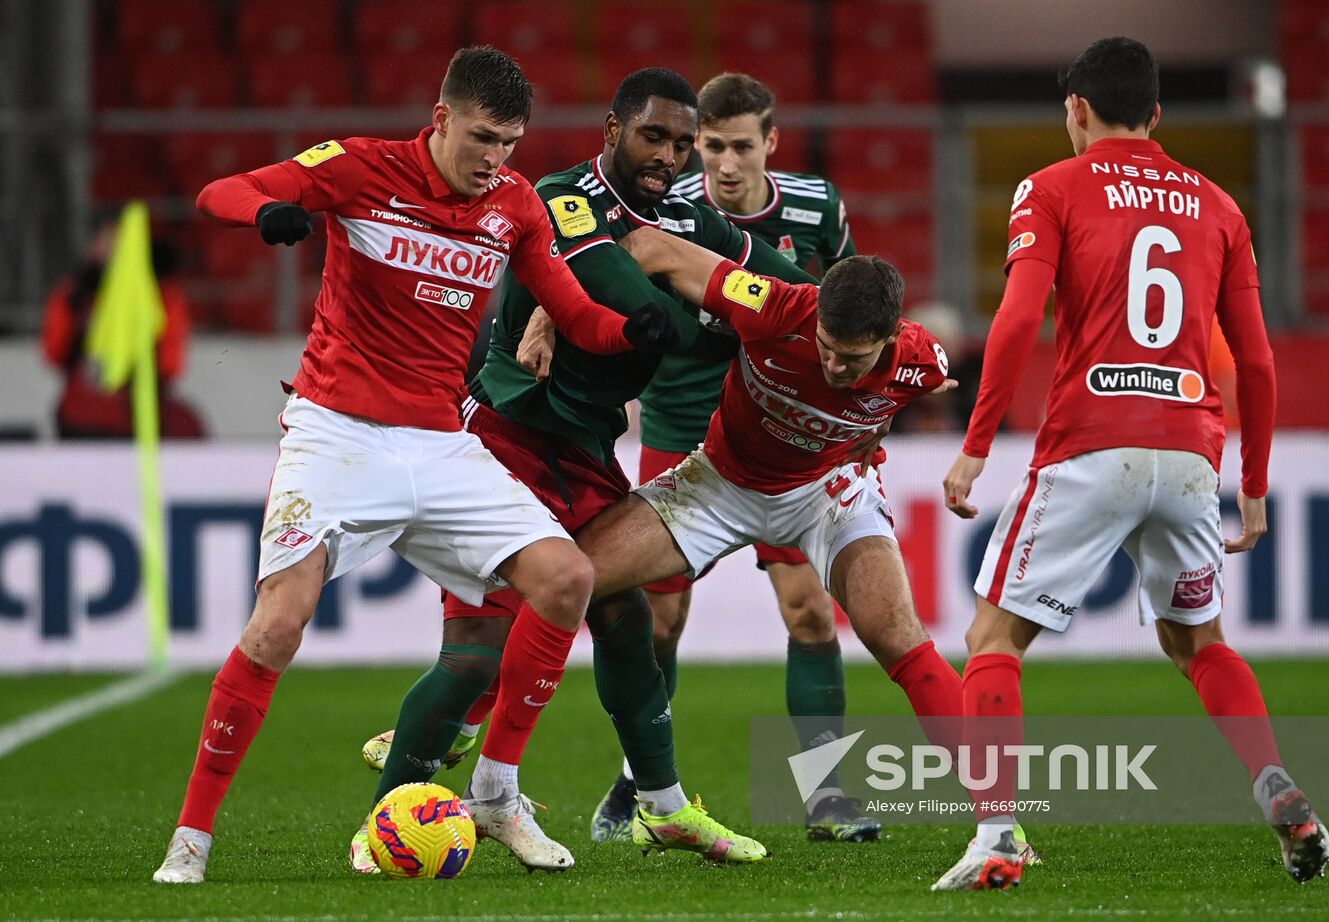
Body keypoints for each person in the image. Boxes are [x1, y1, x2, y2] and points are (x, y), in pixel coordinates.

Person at [152, 46, 676, 885]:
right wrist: (266, 215)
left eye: (508, 142)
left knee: (569, 578)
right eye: (480, 138)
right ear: (439, 120)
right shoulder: (362, 169)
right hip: (335, 436)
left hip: (439, 443)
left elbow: (572, 310)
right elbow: (225, 191)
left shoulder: (512, 204)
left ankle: (497, 793)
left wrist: (626, 333)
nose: (494, 159)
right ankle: (191, 839)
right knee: (278, 626)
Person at [353, 67, 819, 872]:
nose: (669, 155)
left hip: (587, 452)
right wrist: (712, 301)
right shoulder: (564, 197)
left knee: (627, 621)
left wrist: (820, 315)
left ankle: (663, 808)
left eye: (682, 143)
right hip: (508, 440)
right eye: (654, 136)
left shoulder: (685, 216)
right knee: (473, 655)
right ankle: (384, 827)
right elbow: (642, 314)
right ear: (612, 130)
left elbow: (788, 287)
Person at [935, 37, 1329, 890]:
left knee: (992, 639)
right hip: (1190, 456)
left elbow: (1015, 321)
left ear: (1075, 109)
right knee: (1199, 644)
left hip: (1092, 444)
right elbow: (1256, 361)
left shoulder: (1051, 186)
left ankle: (998, 835)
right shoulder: (1220, 204)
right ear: (1156, 114)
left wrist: (973, 445)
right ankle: (1276, 786)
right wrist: (1253, 486)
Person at [560, 224, 975, 868]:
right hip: (719, 484)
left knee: (899, 636)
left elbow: (922, 384)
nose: (836, 367)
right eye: (828, 349)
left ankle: (1001, 822)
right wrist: (549, 315)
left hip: (825, 494)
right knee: (566, 575)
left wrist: (878, 423)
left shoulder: (924, 358)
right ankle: (489, 750)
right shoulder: (774, 305)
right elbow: (648, 246)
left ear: (891, 341)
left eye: (855, 360)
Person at [584, 71, 879, 845]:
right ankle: (639, 784)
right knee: (660, 619)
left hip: (785, 440)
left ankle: (827, 795)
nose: (721, 162)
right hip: (683, 423)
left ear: (770, 144)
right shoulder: (669, 210)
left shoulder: (818, 208)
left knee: (811, 609)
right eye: (709, 146)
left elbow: (849, 311)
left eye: (739, 146)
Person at [41, 220, 205, 439]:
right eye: (107, 242)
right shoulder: (75, 294)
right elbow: (54, 351)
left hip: (136, 417)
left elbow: (171, 362)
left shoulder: (162, 294)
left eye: (121, 243)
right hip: (81, 416)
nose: (113, 251)